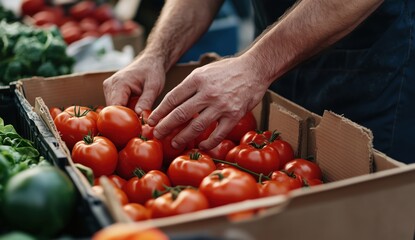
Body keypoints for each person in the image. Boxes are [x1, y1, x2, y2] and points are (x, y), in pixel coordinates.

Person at [103, 0, 415, 164]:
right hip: (276, 48)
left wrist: (258, 65)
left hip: (374, 66)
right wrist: (157, 53)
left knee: (361, 209)